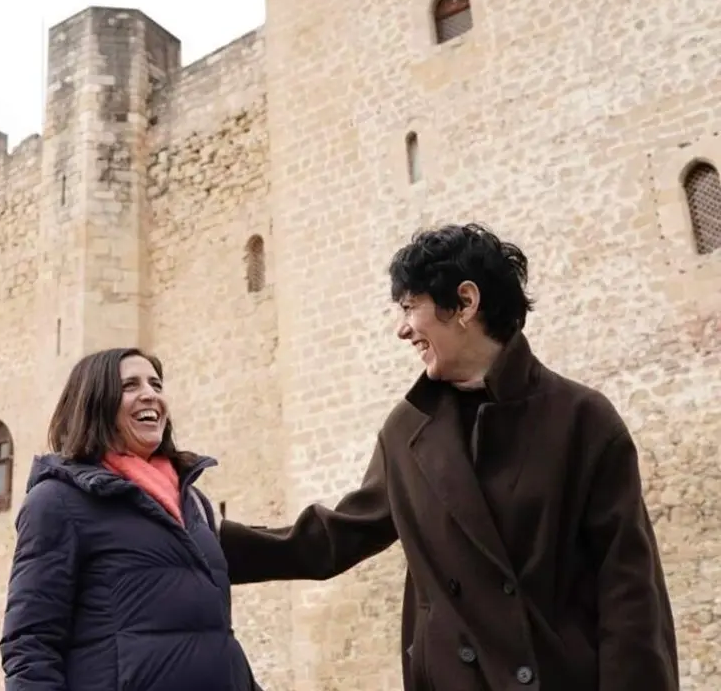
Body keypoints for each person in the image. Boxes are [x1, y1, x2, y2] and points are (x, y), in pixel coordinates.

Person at [218, 223, 678, 691]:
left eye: (409, 307)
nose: (402, 330)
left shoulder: (584, 420)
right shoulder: (406, 432)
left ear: (465, 302)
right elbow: (336, 537)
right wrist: (199, 540)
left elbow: (631, 596)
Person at [0, 348, 261, 691]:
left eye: (156, 384)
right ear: (95, 402)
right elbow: (30, 645)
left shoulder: (193, 504)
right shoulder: (57, 501)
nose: (150, 394)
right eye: (130, 385)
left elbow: (215, 636)